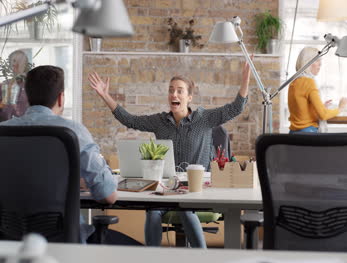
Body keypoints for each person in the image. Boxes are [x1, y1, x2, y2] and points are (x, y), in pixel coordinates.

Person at [88, 60, 251, 248]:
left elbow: (236, 108)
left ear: (189, 97)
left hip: (196, 189)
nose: (174, 94)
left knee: (185, 210)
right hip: (168, 187)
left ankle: (203, 258)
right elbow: (130, 120)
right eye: (171, 90)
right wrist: (105, 95)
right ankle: (154, 259)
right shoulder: (160, 122)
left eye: (179, 90)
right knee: (153, 211)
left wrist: (245, 81)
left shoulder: (204, 119)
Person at [0, 65, 118, 243]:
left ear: (27, 97)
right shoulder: (74, 131)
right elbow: (107, 195)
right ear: (61, 98)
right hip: (65, 244)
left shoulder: (3, 132)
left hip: (10, 242)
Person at [288, 47, 347, 133]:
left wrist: (320, 107)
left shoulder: (293, 82)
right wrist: (340, 108)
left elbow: (301, 114)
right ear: (308, 62)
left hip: (293, 134)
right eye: (317, 60)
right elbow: (323, 115)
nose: (320, 64)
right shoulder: (309, 82)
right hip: (308, 133)